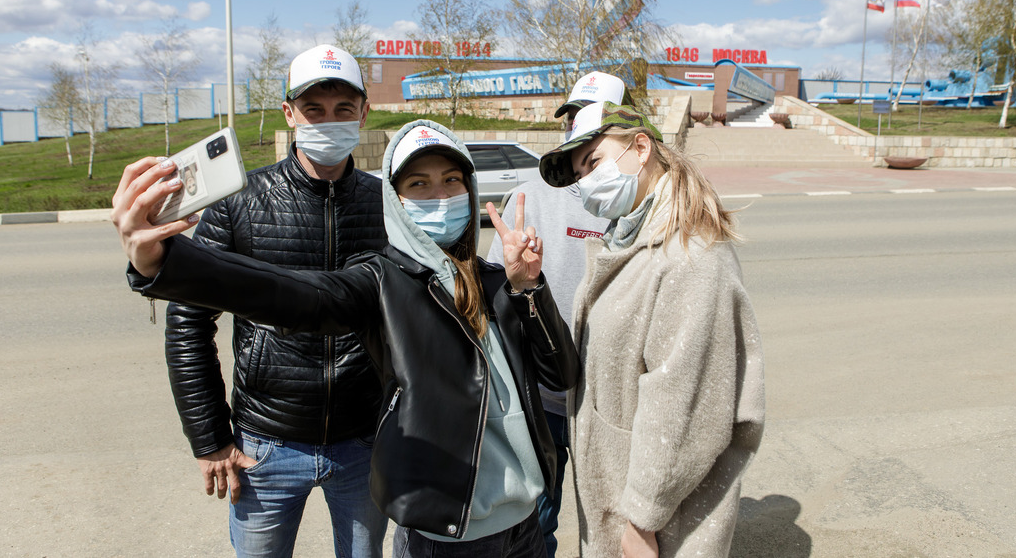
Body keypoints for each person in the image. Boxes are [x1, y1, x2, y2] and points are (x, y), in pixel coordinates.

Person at [113, 119, 579, 558]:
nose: (440, 196)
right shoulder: (382, 281)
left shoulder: (499, 281)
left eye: (452, 180)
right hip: (452, 533)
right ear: (395, 201)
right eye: (419, 184)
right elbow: (293, 295)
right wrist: (165, 263)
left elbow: (560, 373)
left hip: (526, 527)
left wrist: (528, 288)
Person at [163, 44, 388, 558]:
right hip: (264, 444)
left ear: (363, 112)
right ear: (289, 114)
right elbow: (189, 322)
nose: (328, 121)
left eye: (342, 109)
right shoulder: (240, 202)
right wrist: (209, 436)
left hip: (365, 442)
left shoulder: (388, 205)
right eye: (313, 109)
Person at [538, 101, 765, 558]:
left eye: (593, 162)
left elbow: (683, 409)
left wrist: (642, 520)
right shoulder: (627, 236)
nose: (585, 182)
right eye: (579, 172)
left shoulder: (689, 257)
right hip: (625, 498)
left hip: (658, 522)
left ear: (640, 148)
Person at [486, 69, 629, 558]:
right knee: (537, 522)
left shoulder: (633, 197)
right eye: (572, 118)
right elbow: (493, 294)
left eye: (591, 122)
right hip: (543, 398)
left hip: (609, 404)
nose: (576, 130)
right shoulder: (532, 194)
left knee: (612, 525)